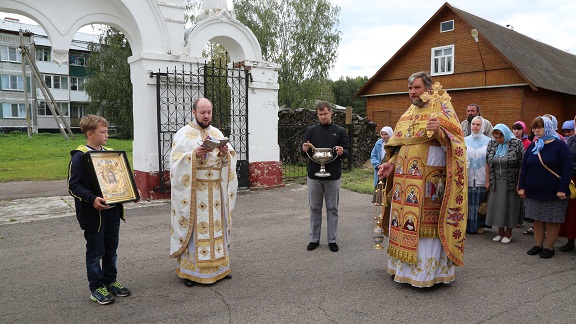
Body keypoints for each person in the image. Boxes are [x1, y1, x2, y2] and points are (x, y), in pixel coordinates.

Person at [377, 71, 468, 287]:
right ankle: (401, 269)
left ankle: (427, 275)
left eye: (416, 88)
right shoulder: (408, 113)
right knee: (404, 223)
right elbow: (402, 144)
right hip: (404, 183)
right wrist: (391, 163)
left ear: (428, 88)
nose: (412, 92)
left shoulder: (442, 109)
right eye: (410, 88)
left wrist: (439, 133)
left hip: (430, 181)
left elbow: (458, 144)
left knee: (425, 229)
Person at [169, 98, 238, 286]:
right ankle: (191, 271)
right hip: (195, 192)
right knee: (195, 229)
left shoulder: (216, 133)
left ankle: (220, 268)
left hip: (215, 191)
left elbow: (229, 160)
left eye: (209, 112)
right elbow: (175, 162)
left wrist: (225, 154)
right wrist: (193, 155)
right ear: (194, 112)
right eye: (202, 112)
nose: (206, 116)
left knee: (217, 226)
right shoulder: (183, 134)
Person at [68, 114, 132, 305]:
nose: (107, 135)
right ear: (90, 134)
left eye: (107, 131)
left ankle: (110, 281)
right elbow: (74, 186)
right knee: (96, 252)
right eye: (103, 132)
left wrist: (130, 192)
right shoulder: (79, 156)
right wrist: (92, 198)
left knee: (111, 250)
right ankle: (97, 287)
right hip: (94, 214)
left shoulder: (110, 153)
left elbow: (120, 178)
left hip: (112, 211)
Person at [519, 116, 573, 258]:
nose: (536, 130)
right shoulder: (533, 145)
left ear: (547, 128)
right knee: (537, 219)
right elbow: (524, 168)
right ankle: (538, 245)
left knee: (552, 220)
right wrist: (522, 187)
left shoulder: (560, 145)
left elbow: (567, 168)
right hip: (534, 190)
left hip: (554, 191)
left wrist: (562, 189)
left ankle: (549, 247)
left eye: (539, 127)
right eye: (534, 127)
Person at [302, 101, 350, 252]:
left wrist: (343, 152)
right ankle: (314, 239)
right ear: (317, 114)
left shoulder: (340, 131)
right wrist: (303, 149)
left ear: (331, 113)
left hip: (333, 176)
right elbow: (304, 153)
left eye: (325, 114)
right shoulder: (310, 131)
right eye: (320, 114)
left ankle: (332, 240)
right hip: (314, 176)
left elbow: (348, 152)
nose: (323, 117)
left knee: (332, 209)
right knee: (314, 208)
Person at [485, 124, 524, 243]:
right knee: (497, 206)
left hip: (511, 180)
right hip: (496, 180)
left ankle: (509, 232)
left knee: (510, 206)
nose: (498, 140)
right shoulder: (492, 144)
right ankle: (500, 231)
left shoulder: (517, 144)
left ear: (505, 134)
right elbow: (487, 162)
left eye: (500, 137)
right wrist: (487, 180)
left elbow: (523, 165)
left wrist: (520, 183)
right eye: (495, 137)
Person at [465, 116, 491, 234]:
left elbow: (489, 161)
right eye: (473, 124)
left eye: (478, 125)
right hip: (468, 176)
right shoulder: (464, 140)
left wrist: (488, 180)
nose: (475, 127)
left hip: (481, 176)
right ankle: (467, 226)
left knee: (480, 202)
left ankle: (479, 225)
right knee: (468, 202)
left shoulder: (489, 141)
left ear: (483, 126)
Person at [558, 118, 576, 252]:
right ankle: (570, 240)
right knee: (572, 212)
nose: (567, 133)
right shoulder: (571, 141)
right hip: (574, 179)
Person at [370, 126, 393, 203]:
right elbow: (373, 155)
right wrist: (377, 165)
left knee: (389, 186)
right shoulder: (378, 143)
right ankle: (379, 203)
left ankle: (388, 203)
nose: (383, 136)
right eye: (382, 134)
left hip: (389, 169)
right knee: (379, 185)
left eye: (385, 134)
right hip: (379, 168)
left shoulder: (393, 144)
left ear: (390, 134)